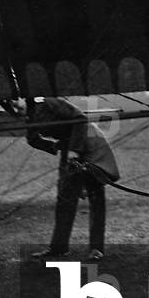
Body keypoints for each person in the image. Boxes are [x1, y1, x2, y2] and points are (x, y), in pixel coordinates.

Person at [23, 97, 119, 262]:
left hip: (89, 143)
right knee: (65, 199)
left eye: (14, 102)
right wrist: (54, 147)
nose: (13, 107)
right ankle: (59, 247)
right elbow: (32, 139)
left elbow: (80, 119)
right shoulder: (29, 113)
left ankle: (96, 248)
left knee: (95, 195)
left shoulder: (51, 103)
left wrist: (74, 151)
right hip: (70, 148)